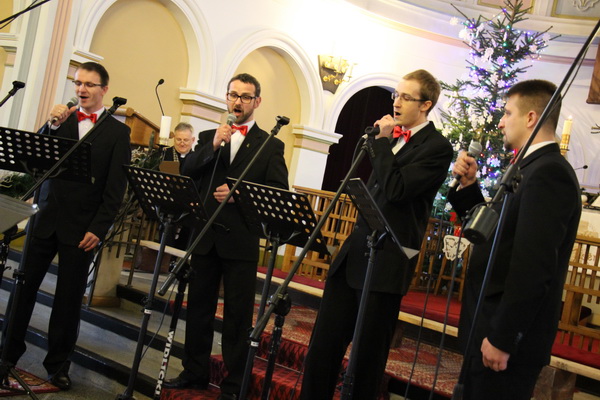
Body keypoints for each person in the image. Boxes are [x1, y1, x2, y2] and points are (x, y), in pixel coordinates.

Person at [299, 69, 453, 400]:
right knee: (322, 349)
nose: (396, 102)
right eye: (396, 95)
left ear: (425, 105)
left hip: (386, 263)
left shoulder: (437, 148)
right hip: (354, 255)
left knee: (365, 361)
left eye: (406, 97)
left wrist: (381, 143)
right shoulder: (391, 138)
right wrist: (382, 142)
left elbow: (397, 190)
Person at [448, 79, 581, 400]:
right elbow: (496, 234)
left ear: (531, 117)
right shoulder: (527, 167)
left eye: (508, 113)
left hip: (503, 336)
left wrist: (503, 338)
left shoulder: (549, 173)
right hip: (487, 324)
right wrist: (469, 187)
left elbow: (533, 266)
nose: (501, 122)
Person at [1, 62, 131, 390]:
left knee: (68, 301)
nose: (81, 89)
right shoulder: (62, 120)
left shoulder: (118, 133)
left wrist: (99, 228)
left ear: (104, 89)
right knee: (23, 290)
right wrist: (51, 125)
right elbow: (34, 160)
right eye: (77, 83)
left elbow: (115, 189)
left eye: (89, 84)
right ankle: (6, 357)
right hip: (44, 218)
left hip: (82, 228)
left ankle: (58, 365)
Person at [163, 73, 288, 400]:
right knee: (198, 310)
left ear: (257, 101)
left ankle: (234, 385)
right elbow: (187, 171)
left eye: (245, 96)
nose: (237, 102)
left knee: (236, 317)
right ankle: (194, 373)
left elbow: (277, 193)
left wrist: (240, 195)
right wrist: (213, 146)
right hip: (205, 237)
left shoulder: (271, 145)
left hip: (240, 241)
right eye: (233, 95)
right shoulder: (209, 137)